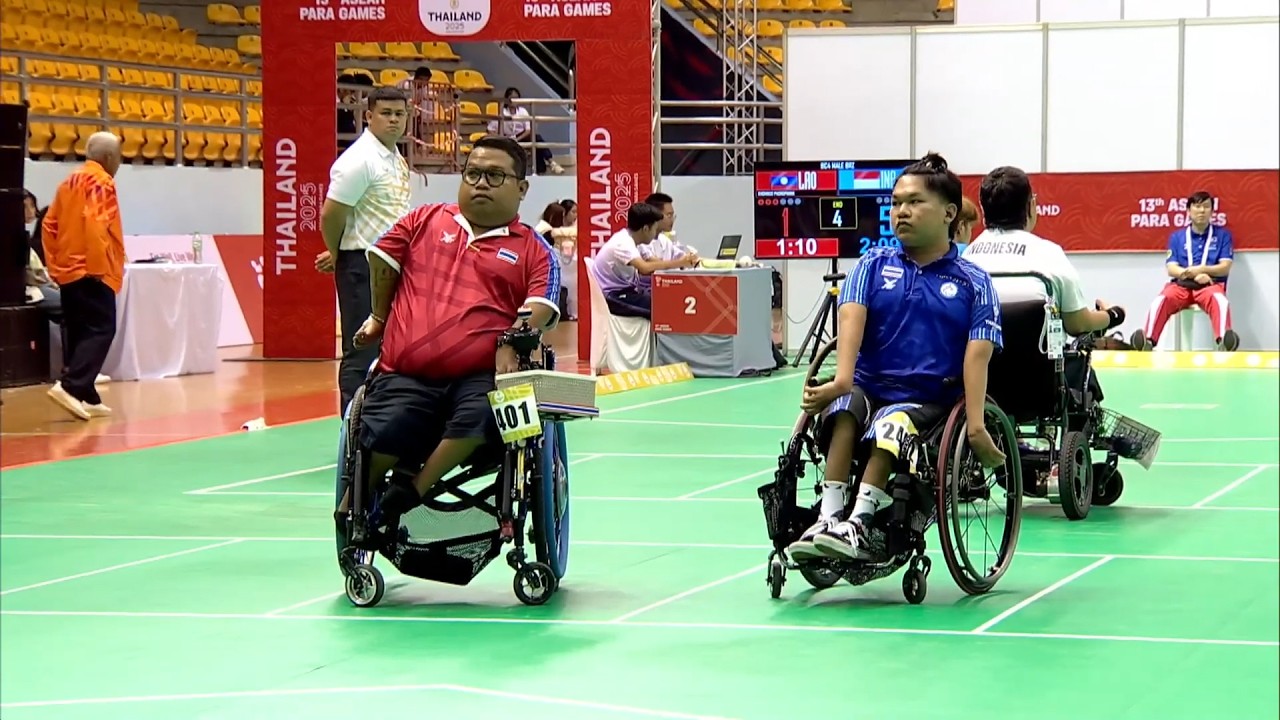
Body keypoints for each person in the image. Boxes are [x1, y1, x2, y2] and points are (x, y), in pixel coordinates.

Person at [788, 152, 1006, 563]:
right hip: (868, 385)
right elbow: (849, 321)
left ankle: (860, 522)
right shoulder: (872, 264)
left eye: (914, 202)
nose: (901, 212)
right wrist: (839, 382)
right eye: (896, 203)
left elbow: (978, 356)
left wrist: (976, 429)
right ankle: (828, 516)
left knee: (892, 422)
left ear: (948, 213)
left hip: (928, 400)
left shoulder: (975, 282)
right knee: (844, 404)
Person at [344, 134, 561, 526]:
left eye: (495, 176)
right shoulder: (423, 220)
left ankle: (412, 489)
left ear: (522, 188)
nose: (480, 183)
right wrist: (379, 316)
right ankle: (360, 501)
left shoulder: (533, 247)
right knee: (388, 426)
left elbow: (543, 303)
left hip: (481, 376)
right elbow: (380, 259)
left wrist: (513, 338)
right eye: (474, 173)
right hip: (407, 372)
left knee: (487, 412)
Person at [316, 86, 412, 414]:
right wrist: (339, 251)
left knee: (392, 347)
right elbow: (331, 214)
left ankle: (383, 419)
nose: (394, 120)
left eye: (400, 114)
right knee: (361, 350)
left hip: (393, 265)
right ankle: (353, 430)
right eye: (386, 113)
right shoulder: (359, 160)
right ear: (369, 116)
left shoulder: (394, 156)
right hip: (362, 265)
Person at [962, 166, 1125, 337]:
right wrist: (1113, 315)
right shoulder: (1049, 254)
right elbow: (1078, 324)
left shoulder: (966, 259)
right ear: (1031, 206)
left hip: (978, 363)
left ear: (984, 210)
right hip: (1039, 363)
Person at [40, 132, 125, 421]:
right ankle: (72, 386)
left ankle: (87, 394)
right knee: (103, 328)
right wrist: (99, 268)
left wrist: (55, 265)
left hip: (68, 269)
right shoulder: (102, 182)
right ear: (110, 158)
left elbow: (49, 225)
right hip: (92, 269)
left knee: (80, 329)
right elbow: (96, 223)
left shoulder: (68, 182)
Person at [1130, 191, 1239, 351]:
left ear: (1212, 211)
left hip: (1209, 285)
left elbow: (1225, 266)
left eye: (1206, 207)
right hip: (1181, 285)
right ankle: (1147, 340)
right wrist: (1190, 274)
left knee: (1220, 301)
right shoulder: (1177, 237)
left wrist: (1204, 271)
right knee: (1161, 300)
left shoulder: (1223, 236)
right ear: (1189, 211)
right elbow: (1171, 268)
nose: (1202, 211)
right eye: (1197, 206)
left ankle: (1224, 341)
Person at [590, 203, 698, 319]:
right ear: (646, 229)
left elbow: (653, 261)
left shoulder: (634, 239)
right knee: (666, 306)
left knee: (668, 297)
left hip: (627, 292)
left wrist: (681, 262)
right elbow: (645, 269)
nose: (656, 235)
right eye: (655, 230)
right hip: (614, 297)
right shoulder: (623, 243)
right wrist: (679, 263)